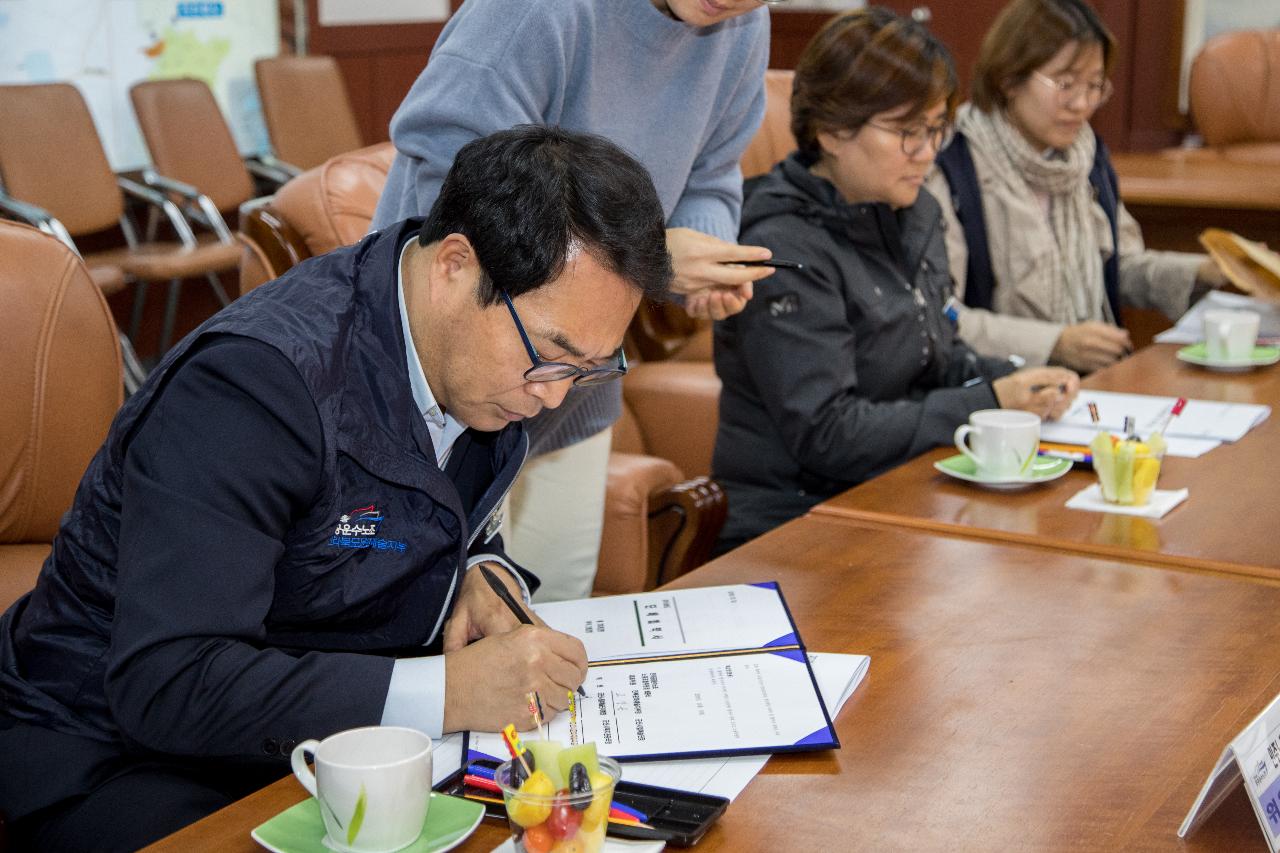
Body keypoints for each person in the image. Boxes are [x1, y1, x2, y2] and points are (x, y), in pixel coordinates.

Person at [0, 126, 672, 851]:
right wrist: (451, 691)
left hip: (324, 735)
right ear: (454, 265)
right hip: (115, 752)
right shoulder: (252, 388)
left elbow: (448, 508)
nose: (553, 398)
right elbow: (169, 681)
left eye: (592, 368)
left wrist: (481, 571)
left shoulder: (487, 359)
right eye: (555, 357)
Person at [371, 0, 782, 601]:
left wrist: (704, 259)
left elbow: (711, 173)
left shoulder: (744, 27)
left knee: (553, 618)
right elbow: (460, 181)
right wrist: (651, 256)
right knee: (440, 631)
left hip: (575, 383)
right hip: (449, 381)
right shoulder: (538, 12)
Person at [712, 8, 1080, 551]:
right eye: (907, 132)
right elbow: (828, 435)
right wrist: (988, 400)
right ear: (833, 130)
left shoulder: (913, 212)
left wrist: (1018, 380)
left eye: (936, 130)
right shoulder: (782, 248)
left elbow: (934, 357)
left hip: (897, 495)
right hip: (794, 526)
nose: (927, 153)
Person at [927, 0, 1228, 374]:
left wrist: (1209, 270)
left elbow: (1119, 266)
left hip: (1089, 388)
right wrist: (1055, 343)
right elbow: (940, 314)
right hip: (1000, 395)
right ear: (1008, 78)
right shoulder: (954, 167)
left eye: (1095, 86)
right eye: (1065, 83)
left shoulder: (1085, 158)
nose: (1082, 104)